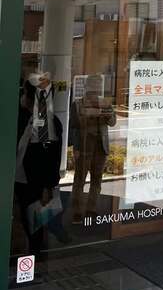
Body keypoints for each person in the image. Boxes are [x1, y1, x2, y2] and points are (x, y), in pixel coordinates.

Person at [14, 72, 69, 254]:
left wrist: (48, 187)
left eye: (25, 93)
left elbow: (51, 160)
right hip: (22, 180)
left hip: (34, 184)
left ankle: (35, 259)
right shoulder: (29, 117)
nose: (22, 97)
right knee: (26, 221)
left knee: (34, 225)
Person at [69, 75, 116, 223]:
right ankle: (77, 211)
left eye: (98, 86)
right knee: (79, 179)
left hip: (100, 146)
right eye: (93, 85)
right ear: (87, 87)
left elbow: (112, 122)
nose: (96, 89)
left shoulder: (104, 103)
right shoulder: (78, 104)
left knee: (97, 179)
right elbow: (74, 125)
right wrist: (76, 148)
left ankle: (92, 208)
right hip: (84, 147)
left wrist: (105, 111)